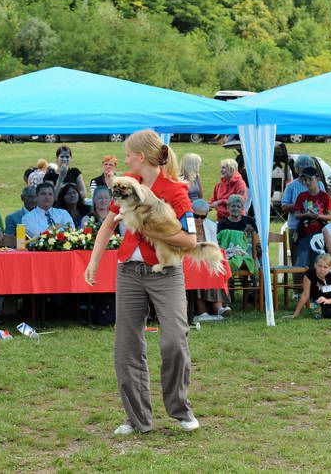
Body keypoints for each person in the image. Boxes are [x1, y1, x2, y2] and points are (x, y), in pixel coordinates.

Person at [84, 129, 200, 435]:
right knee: (126, 347)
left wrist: (150, 230)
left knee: (174, 340)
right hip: (129, 272)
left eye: (127, 154)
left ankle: (179, 408)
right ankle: (138, 419)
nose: (124, 160)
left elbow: (189, 240)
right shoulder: (126, 184)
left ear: (141, 157)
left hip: (166, 272)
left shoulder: (175, 190)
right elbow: (108, 224)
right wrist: (94, 260)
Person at [190, 199, 230, 321]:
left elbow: (215, 246)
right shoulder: (183, 225)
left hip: (206, 259)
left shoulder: (211, 226)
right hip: (190, 260)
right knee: (198, 269)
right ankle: (201, 311)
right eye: (196, 216)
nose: (198, 219)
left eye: (202, 217)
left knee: (215, 266)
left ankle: (218, 308)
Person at [292, 167, 331, 271]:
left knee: (317, 260)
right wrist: (306, 214)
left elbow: (329, 216)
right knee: (302, 261)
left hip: (320, 235)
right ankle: (301, 284)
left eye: (310, 179)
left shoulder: (325, 197)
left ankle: (316, 283)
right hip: (304, 233)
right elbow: (296, 214)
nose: (307, 182)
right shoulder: (302, 196)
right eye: (305, 180)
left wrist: (318, 216)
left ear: (317, 179)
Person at [280, 155, 326, 237]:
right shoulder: (291, 186)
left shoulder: (319, 184)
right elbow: (284, 207)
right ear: (297, 170)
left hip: (317, 225)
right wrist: (300, 205)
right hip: (295, 226)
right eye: (303, 169)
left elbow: (326, 204)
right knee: (297, 249)